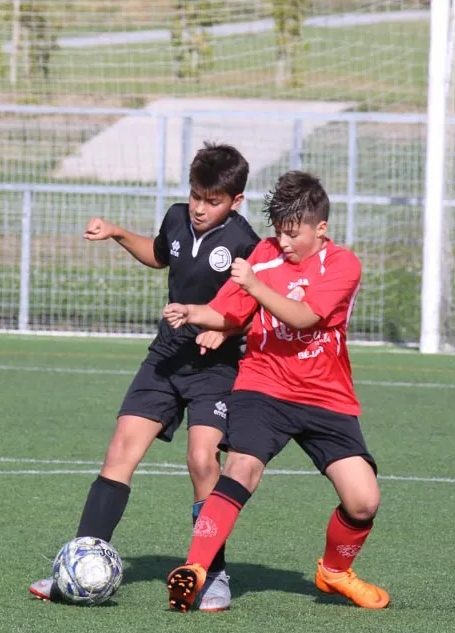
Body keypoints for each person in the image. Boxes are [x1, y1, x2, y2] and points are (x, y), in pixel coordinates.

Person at [29, 142, 260, 612]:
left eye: (212, 201)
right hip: (167, 355)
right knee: (120, 450)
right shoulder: (176, 217)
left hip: (215, 367)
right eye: (195, 196)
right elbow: (159, 254)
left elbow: (257, 306)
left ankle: (212, 573)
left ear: (235, 201)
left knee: (202, 461)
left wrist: (224, 329)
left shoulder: (246, 243)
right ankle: (80, 563)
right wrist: (117, 232)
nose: (199, 208)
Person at [161, 170, 390, 612]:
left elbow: (304, 316)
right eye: (279, 232)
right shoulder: (264, 254)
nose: (283, 242)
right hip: (263, 385)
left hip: (325, 395)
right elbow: (229, 311)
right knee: (241, 467)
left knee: (363, 502)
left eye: (293, 233)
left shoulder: (343, 265)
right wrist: (192, 312)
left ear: (320, 229)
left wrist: (254, 284)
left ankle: (334, 571)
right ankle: (196, 570)